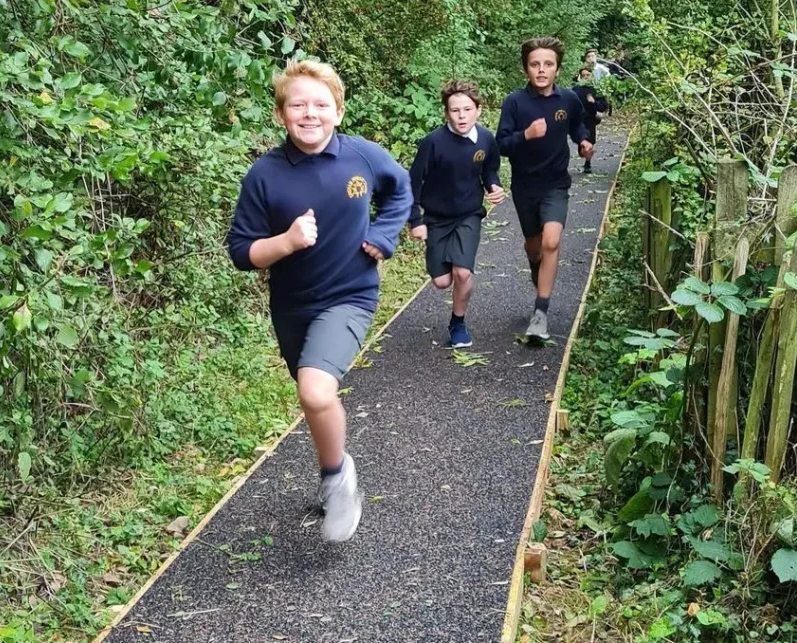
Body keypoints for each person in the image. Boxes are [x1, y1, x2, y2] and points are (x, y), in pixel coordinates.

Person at [226, 59, 411, 543]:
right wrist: (285, 242)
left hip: (350, 295)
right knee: (312, 398)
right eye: (298, 105)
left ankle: (337, 478)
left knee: (315, 392)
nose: (310, 114)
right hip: (291, 306)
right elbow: (242, 252)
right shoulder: (264, 175)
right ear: (280, 114)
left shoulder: (362, 158)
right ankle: (334, 469)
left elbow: (401, 190)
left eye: (321, 104)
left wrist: (385, 234)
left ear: (338, 111)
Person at [496, 36, 593, 340]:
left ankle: (540, 313)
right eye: (535, 64)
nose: (541, 70)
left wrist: (584, 142)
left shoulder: (568, 100)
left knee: (551, 242)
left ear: (557, 69)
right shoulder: (515, 102)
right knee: (535, 247)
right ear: (526, 69)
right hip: (525, 186)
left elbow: (577, 126)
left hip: (556, 184)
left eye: (548, 64)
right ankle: (537, 269)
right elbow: (502, 145)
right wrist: (525, 134)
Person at [408, 80, 506, 348]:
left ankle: (458, 323)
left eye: (466, 109)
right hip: (436, 218)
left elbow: (489, 170)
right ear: (446, 113)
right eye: (454, 111)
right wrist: (415, 220)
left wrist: (493, 186)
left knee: (463, 273)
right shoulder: (433, 143)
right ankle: (445, 265)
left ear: (478, 110)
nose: (461, 116)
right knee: (441, 282)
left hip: (469, 214)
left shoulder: (485, 139)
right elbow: (414, 182)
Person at [572, 67, 608, 173]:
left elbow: (603, 106)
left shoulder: (597, 90)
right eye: (584, 75)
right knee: (581, 143)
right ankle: (583, 152)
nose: (586, 77)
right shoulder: (575, 90)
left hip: (590, 119)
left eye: (588, 75)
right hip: (578, 120)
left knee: (590, 141)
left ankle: (588, 164)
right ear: (580, 77)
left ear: (591, 76)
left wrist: (594, 102)